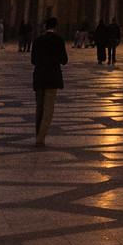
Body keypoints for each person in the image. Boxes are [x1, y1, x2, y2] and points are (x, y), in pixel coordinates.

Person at [30, 13, 68, 147]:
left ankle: (38, 135)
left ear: (46, 26)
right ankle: (40, 138)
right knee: (48, 110)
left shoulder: (38, 40)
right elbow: (64, 60)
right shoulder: (59, 40)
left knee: (39, 108)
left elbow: (33, 60)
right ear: (56, 27)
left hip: (39, 77)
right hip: (52, 78)